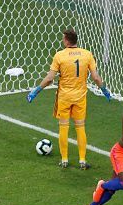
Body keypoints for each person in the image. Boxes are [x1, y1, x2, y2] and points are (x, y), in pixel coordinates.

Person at [27, 29, 111, 170]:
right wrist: (104, 90)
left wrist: (36, 91)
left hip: (64, 97)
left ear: (66, 40)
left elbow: (49, 79)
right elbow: (96, 77)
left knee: (63, 127)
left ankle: (64, 160)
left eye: (63, 38)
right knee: (80, 127)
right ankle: (82, 161)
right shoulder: (87, 54)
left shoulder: (60, 56)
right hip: (80, 97)